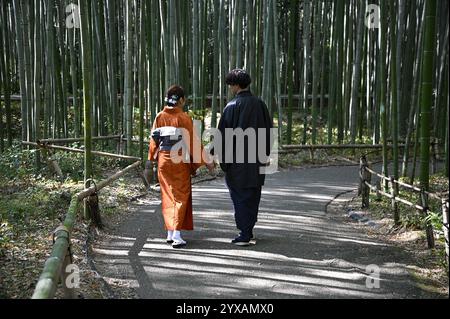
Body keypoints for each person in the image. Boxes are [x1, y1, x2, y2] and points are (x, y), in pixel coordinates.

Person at [148, 85, 214, 248]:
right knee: (180, 196)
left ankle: (170, 233)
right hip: (178, 162)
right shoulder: (183, 118)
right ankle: (177, 234)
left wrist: (151, 160)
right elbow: (193, 143)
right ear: (181, 100)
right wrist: (208, 161)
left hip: (163, 160)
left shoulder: (159, 116)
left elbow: (153, 141)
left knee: (168, 195)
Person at [218, 69, 273, 246]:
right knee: (253, 194)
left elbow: (222, 136)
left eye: (230, 85)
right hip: (257, 158)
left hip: (237, 160)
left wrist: (222, 161)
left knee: (239, 196)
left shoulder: (231, 106)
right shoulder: (260, 104)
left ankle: (244, 233)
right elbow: (269, 132)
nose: (230, 88)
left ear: (235, 85)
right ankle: (248, 230)